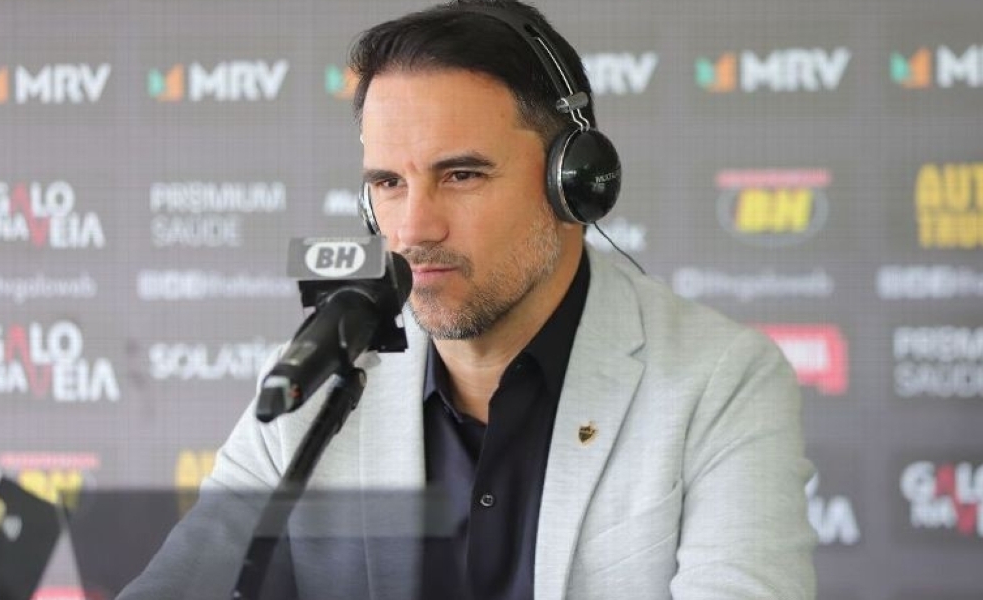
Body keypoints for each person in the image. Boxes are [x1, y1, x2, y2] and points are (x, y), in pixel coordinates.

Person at [121, 1, 816, 598]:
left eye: (460, 174)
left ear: (573, 184)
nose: (414, 230)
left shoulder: (721, 382)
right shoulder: (320, 375)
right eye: (389, 183)